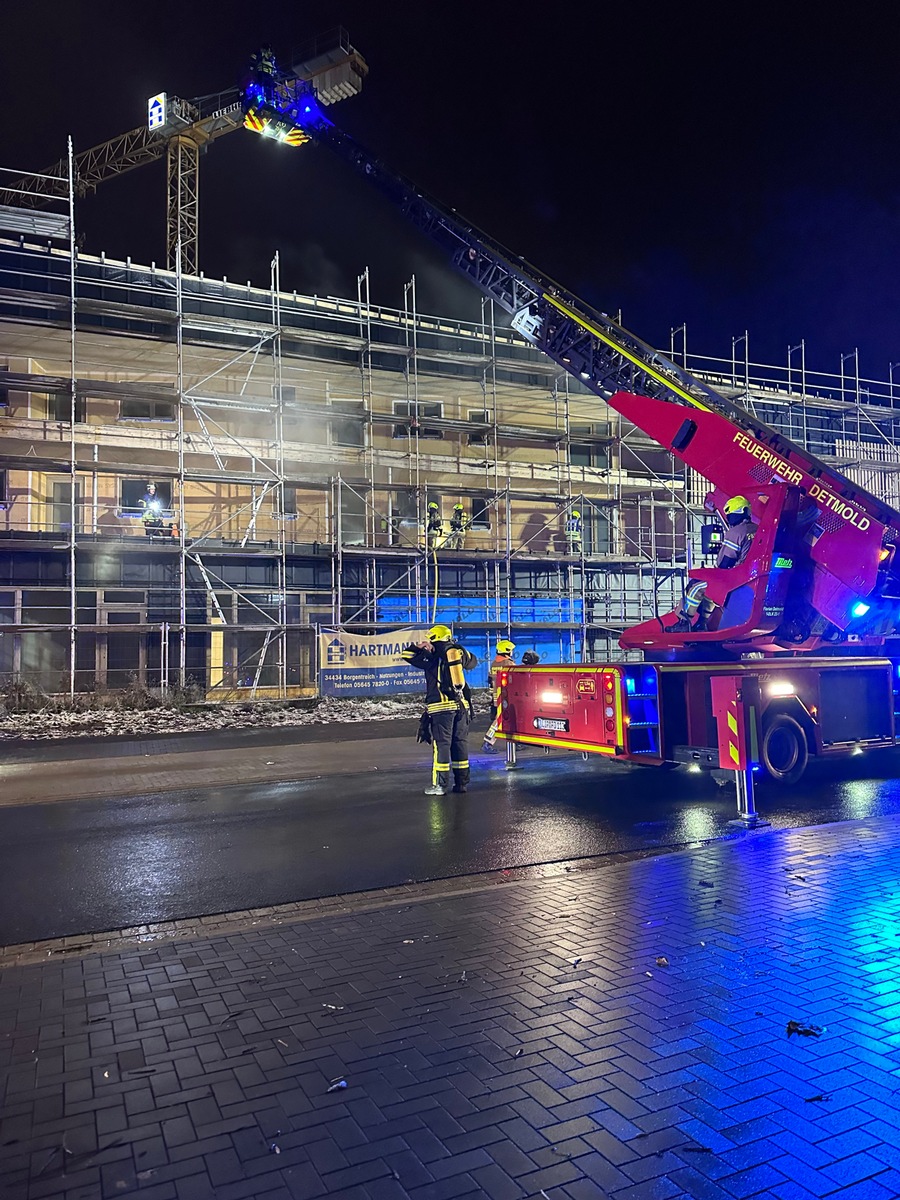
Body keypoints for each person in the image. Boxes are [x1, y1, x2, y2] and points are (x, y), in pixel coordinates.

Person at [402, 624, 477, 795]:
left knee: (442, 745)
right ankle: (461, 783)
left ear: (434, 639)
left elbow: (406, 654)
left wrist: (420, 647)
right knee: (460, 744)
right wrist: (459, 648)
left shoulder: (432, 657)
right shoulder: (457, 653)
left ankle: (440, 785)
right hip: (462, 707)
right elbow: (473, 661)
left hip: (442, 709)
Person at [672, 495, 757, 632]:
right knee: (709, 589)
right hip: (749, 577)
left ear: (737, 512)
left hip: (735, 578)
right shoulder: (756, 529)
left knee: (695, 586)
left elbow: (726, 561)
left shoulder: (736, 531)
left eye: (729, 514)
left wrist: (714, 573)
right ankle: (701, 623)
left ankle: (684, 623)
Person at [483, 638, 516, 750]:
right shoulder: (508, 663)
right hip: (507, 696)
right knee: (499, 720)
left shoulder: (494, 663)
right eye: (510, 650)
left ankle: (514, 742)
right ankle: (488, 742)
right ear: (507, 651)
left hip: (497, 696)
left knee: (507, 719)